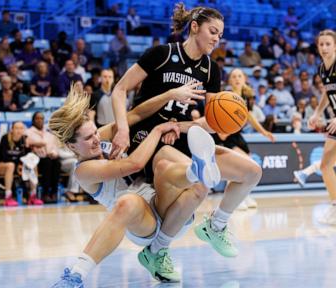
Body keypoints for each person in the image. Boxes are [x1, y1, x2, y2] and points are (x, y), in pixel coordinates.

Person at [111, 2, 262, 261]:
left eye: (220, 35)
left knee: (251, 172)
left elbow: (211, 121)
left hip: (182, 136)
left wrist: (179, 126)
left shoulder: (211, 69)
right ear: (194, 27)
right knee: (201, 181)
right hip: (150, 138)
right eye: (213, 31)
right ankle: (158, 252)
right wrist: (122, 129)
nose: (217, 39)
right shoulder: (161, 54)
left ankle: (215, 226)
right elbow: (120, 89)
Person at [49, 85, 220, 287]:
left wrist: (169, 95)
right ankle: (75, 276)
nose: (96, 138)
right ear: (71, 146)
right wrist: (158, 130)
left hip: (170, 209)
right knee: (127, 201)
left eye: (95, 132)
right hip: (144, 223)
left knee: (171, 163)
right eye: (88, 138)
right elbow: (133, 165)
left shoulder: (99, 137)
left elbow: (137, 114)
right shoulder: (83, 171)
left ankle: (196, 172)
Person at [213, 68, 275, 210]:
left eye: (239, 76)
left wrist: (264, 132)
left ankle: (243, 196)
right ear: (229, 80)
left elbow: (249, 117)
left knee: (248, 164)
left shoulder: (246, 96)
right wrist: (222, 132)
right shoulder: (226, 96)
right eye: (234, 76)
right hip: (225, 134)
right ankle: (235, 200)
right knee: (237, 167)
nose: (237, 79)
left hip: (236, 134)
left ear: (245, 78)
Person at [307, 29, 336, 225]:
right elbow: (328, 93)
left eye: (328, 44)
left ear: (335, 46)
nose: (324, 47)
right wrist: (317, 112)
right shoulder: (322, 69)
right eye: (321, 44)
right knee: (325, 165)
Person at [0, 121, 42, 206]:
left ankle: (33, 195)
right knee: (10, 165)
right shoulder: (5, 138)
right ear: (12, 129)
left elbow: (28, 156)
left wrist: (29, 148)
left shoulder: (24, 139)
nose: (19, 130)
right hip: (2, 165)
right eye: (16, 128)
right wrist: (19, 162)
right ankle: (8, 196)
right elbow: (4, 157)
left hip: (18, 167)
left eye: (21, 128)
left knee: (32, 164)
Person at [26, 112, 61, 203]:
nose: (39, 120)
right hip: (37, 160)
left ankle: (54, 192)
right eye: (37, 118)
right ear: (33, 120)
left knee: (57, 162)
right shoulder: (28, 132)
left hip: (49, 157)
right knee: (47, 162)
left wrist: (53, 153)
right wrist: (35, 144)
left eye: (41, 118)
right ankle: (45, 193)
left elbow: (54, 148)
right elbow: (27, 145)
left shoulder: (49, 134)